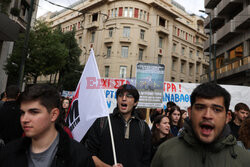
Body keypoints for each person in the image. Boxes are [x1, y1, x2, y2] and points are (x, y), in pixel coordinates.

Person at [151, 83, 250, 167]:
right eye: (200, 108)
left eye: (216, 110)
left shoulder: (244, 159)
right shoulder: (165, 152)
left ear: (227, 116)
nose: (207, 115)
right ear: (190, 112)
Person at [0, 84, 94, 167]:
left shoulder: (79, 157)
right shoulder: (8, 153)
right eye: (22, 112)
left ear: (53, 115)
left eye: (34, 112)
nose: (24, 119)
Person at [85, 84, 151, 167]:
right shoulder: (102, 122)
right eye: (120, 96)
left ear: (135, 102)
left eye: (129, 96)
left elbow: (147, 160)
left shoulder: (143, 127)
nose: (123, 99)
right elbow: (90, 154)